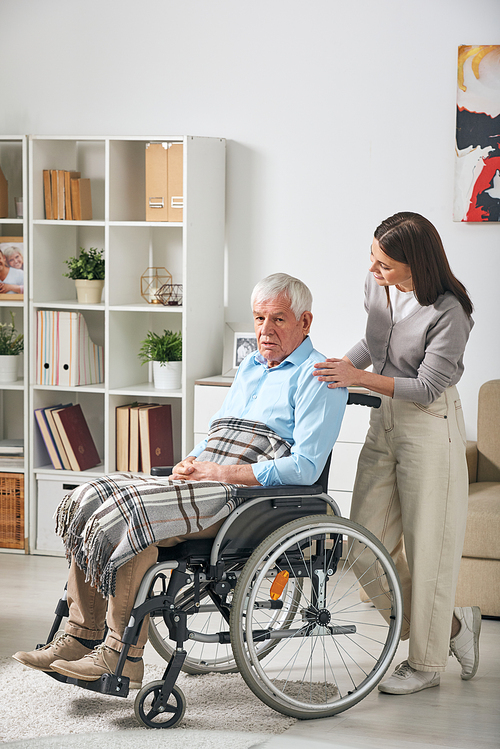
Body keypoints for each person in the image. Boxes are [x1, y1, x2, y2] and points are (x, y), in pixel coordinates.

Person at [13, 272, 347, 689]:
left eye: (278, 319)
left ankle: (121, 656)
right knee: (93, 498)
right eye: (259, 319)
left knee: (135, 517)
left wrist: (218, 472)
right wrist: (193, 460)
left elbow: (305, 469)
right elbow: (220, 433)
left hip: (247, 501)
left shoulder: (320, 378)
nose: (265, 330)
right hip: (207, 481)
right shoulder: (251, 366)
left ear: (305, 322)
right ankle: (81, 637)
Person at [313, 211, 480, 695]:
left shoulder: (450, 311)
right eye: (372, 258)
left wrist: (357, 379)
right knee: (363, 544)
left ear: (415, 263)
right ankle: (449, 626)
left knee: (429, 546)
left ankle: (427, 664)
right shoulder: (378, 288)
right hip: (383, 418)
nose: (373, 270)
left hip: (430, 425)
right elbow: (374, 341)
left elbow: (428, 387)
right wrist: (340, 366)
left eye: (384, 264)